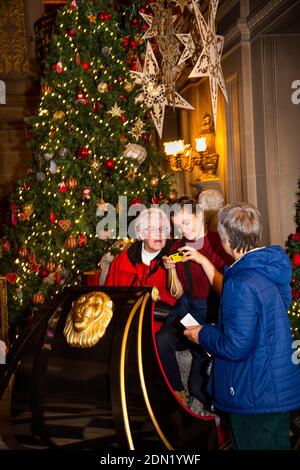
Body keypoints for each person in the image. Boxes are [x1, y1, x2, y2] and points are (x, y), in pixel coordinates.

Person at [184, 202, 300, 450]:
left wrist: (203, 333)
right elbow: (266, 317)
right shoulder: (269, 268)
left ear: (226, 239)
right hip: (273, 385)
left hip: (254, 391)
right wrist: (226, 325)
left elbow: (236, 347)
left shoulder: (241, 281)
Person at [156, 196, 233, 405]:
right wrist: (170, 271)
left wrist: (201, 259)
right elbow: (178, 293)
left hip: (214, 315)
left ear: (199, 216)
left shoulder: (219, 243)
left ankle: (222, 418)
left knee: (199, 388)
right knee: (161, 339)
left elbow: (227, 291)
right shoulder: (177, 249)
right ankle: (177, 393)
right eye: (178, 226)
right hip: (188, 312)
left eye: (186, 223)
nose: (182, 230)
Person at [105, 207, 176, 308]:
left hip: (162, 320)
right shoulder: (122, 261)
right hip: (127, 319)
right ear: (141, 234)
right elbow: (108, 297)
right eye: (152, 229)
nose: (159, 234)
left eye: (163, 229)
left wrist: (158, 297)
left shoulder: (175, 259)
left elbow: (184, 299)